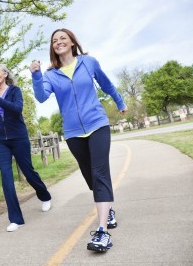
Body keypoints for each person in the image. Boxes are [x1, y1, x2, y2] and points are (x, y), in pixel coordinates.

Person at [29, 28, 127, 252]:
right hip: (73, 132)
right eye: (55, 41)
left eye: (63, 38)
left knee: (100, 171)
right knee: (89, 174)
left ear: (72, 42)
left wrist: (120, 102)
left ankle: (102, 232)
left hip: (97, 124)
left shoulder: (88, 62)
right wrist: (36, 76)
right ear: (52, 48)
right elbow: (42, 97)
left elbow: (106, 84)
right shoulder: (51, 75)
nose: (59, 42)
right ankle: (108, 208)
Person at [0, 64, 52, 232]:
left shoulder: (15, 91)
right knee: (6, 178)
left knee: (28, 172)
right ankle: (16, 219)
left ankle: (44, 196)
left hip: (19, 138)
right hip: (1, 140)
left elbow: (17, 110)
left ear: (5, 74)